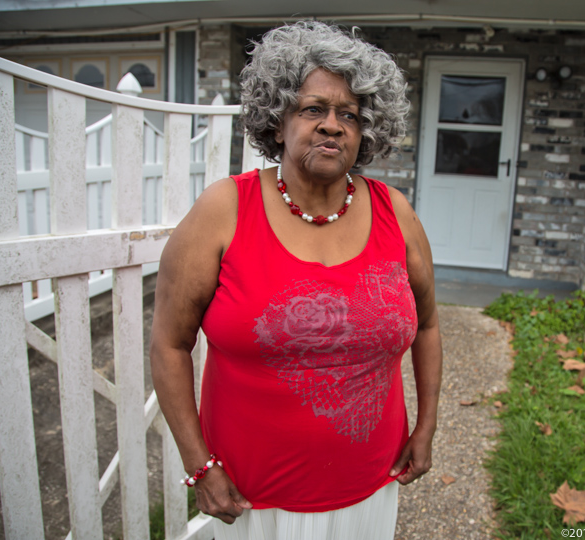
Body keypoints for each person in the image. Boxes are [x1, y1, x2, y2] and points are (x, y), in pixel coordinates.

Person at [150, 21, 442, 540]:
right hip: (251, 497)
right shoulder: (224, 210)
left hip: (371, 483)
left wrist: (426, 425)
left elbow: (428, 324)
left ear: (365, 131)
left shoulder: (395, 213)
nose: (332, 125)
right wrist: (199, 466)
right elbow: (170, 344)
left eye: (348, 115)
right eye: (313, 109)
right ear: (277, 119)